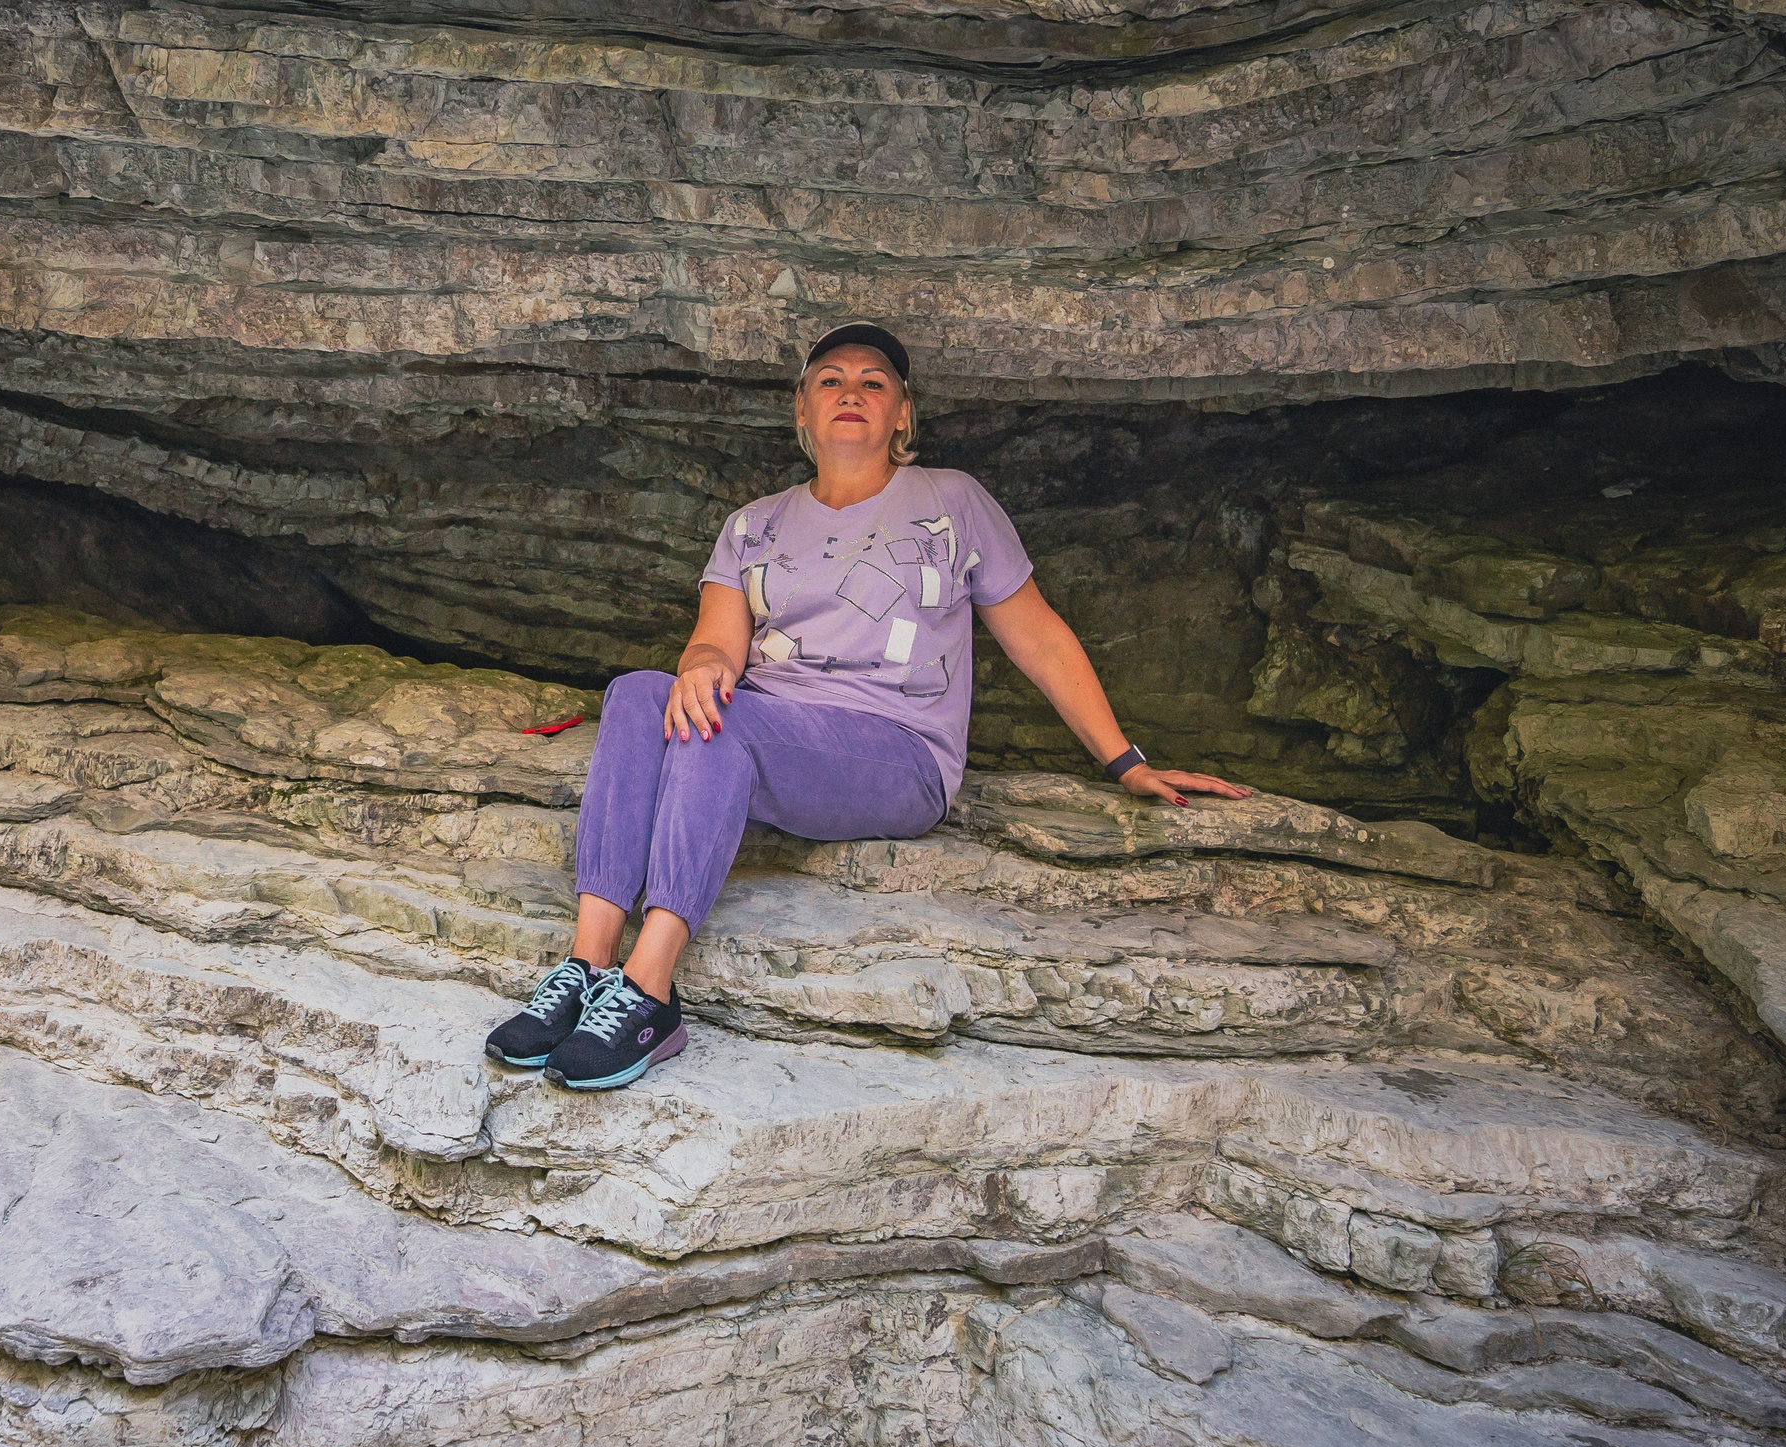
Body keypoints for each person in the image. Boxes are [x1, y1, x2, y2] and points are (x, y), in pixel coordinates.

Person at [486, 322, 1252, 1091]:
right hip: (777, 730)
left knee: (722, 725)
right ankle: (588, 965)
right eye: (830, 380)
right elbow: (714, 645)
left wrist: (1125, 761)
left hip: (898, 750)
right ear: (801, 413)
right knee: (638, 693)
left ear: (902, 416)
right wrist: (702, 669)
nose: (850, 392)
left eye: (873, 383)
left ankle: (651, 992)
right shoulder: (752, 525)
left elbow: (1039, 637)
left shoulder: (952, 502)